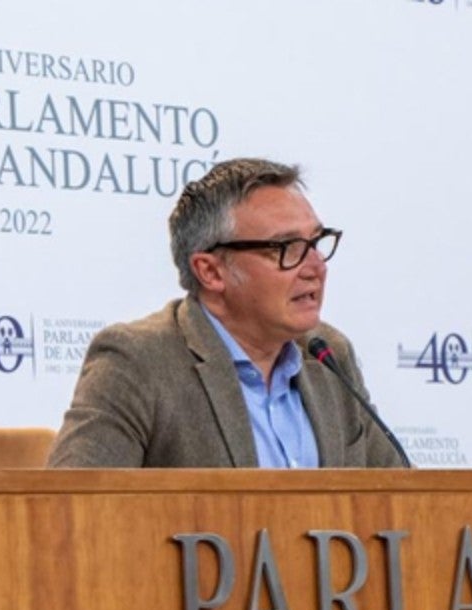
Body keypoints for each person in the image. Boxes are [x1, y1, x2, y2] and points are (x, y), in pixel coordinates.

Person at [47, 157, 407, 468]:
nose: (315, 266)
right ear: (211, 271)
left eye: (315, 242)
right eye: (287, 247)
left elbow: (400, 497)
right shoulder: (138, 361)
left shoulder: (328, 353)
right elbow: (71, 511)